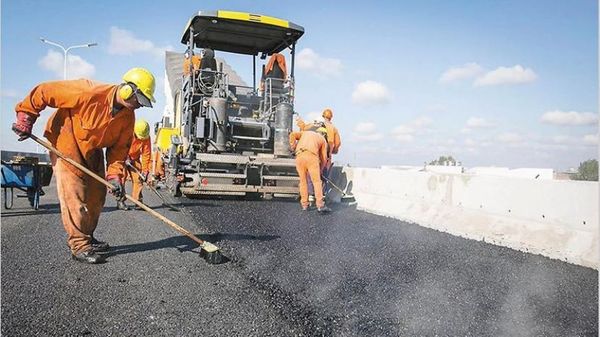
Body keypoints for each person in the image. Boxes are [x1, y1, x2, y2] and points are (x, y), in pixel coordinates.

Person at [12, 67, 156, 264]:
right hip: (66, 141)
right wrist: (26, 116)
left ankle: (87, 235)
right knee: (74, 193)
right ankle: (79, 244)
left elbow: (119, 150)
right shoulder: (87, 91)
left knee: (97, 195)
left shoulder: (128, 117)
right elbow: (45, 91)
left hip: (92, 148)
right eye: (139, 100)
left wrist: (115, 177)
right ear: (127, 90)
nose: (139, 106)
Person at [289, 127, 331, 213]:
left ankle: (305, 205)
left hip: (299, 156)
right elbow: (323, 158)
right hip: (312, 157)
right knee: (316, 182)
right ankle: (320, 205)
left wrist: (293, 147)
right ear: (324, 134)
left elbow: (292, 134)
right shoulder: (322, 139)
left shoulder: (305, 133)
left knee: (303, 181)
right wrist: (320, 170)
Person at [121, 119, 153, 210]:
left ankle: (138, 202)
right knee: (121, 178)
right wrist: (125, 157)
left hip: (134, 159)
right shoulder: (127, 132)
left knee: (139, 179)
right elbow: (120, 146)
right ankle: (120, 200)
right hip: (123, 158)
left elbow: (146, 154)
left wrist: (145, 171)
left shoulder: (146, 137)